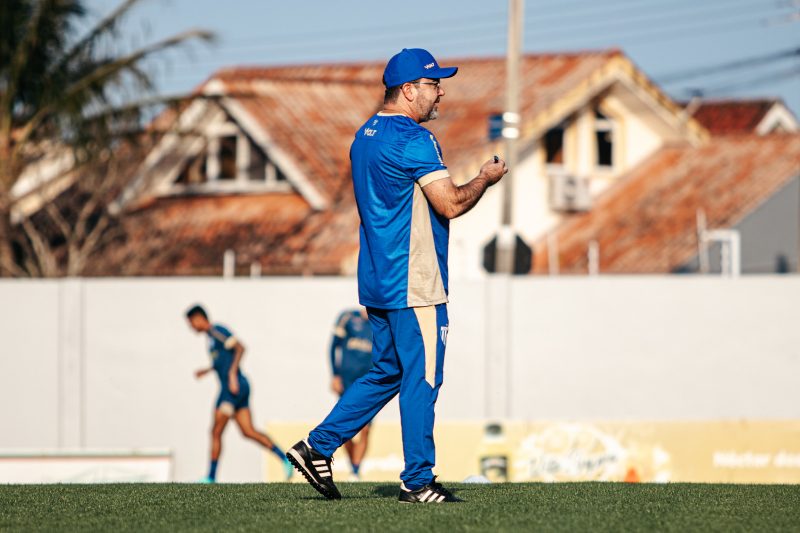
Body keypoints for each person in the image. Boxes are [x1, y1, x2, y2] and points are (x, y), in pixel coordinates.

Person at [287, 48, 507, 503]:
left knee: (386, 371)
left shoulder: (363, 136)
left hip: (377, 278)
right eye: (433, 84)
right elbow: (450, 203)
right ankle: (418, 480)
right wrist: (484, 178)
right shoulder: (415, 140)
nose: (440, 90)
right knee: (422, 378)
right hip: (416, 279)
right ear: (408, 90)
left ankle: (318, 446)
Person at [185, 304, 293, 482]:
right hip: (239, 387)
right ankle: (285, 459)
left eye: (191, 323)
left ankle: (211, 477)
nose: (191, 327)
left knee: (215, 431)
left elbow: (240, 347)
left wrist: (232, 374)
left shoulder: (216, 331)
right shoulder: (210, 339)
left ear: (199, 318)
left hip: (231, 388)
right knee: (248, 431)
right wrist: (208, 369)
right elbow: (223, 359)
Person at [329, 307, 374, 479]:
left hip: (370, 383)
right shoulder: (347, 317)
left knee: (366, 428)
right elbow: (333, 346)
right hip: (347, 382)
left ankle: (356, 470)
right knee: (346, 425)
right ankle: (353, 465)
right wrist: (335, 375)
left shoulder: (382, 322)